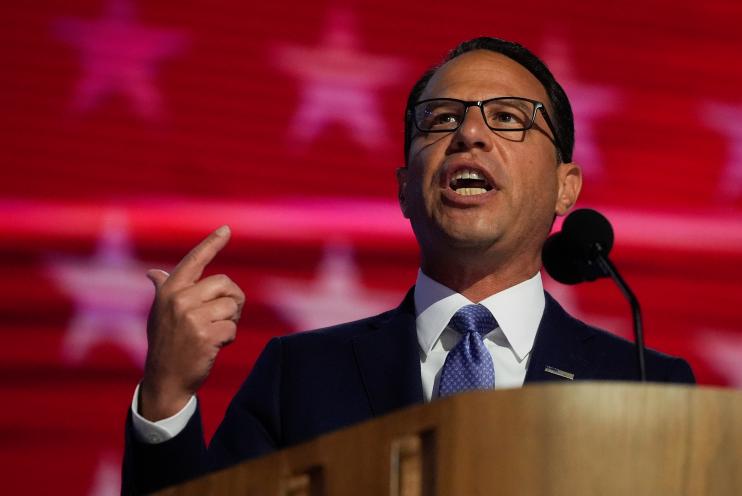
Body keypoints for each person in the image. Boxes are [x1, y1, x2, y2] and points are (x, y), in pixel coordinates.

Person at [121, 37, 694, 494]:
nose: (469, 134)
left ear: (566, 188)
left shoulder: (646, 386)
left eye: (509, 117)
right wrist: (166, 397)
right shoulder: (297, 377)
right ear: (403, 188)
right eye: (440, 119)